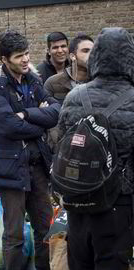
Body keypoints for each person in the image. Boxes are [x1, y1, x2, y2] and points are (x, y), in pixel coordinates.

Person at [57, 27, 134, 270]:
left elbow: (60, 142)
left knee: (80, 261)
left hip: (78, 195)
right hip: (118, 201)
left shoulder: (74, 96)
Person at [0, 30, 60, 270]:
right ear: (5, 59)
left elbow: (56, 111)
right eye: (19, 56)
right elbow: (7, 125)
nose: (26, 60)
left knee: (46, 229)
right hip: (9, 167)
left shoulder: (33, 80)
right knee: (14, 234)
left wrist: (27, 113)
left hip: (37, 165)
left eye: (26, 53)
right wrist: (39, 123)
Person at [44, 34, 94, 149]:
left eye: (93, 51)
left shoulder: (99, 83)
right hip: (63, 148)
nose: (91, 55)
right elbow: (48, 119)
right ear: (72, 56)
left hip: (93, 148)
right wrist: (59, 145)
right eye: (86, 51)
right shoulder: (53, 83)